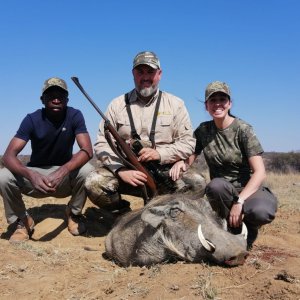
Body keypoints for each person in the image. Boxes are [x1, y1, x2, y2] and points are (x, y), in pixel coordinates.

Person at [85, 51, 205, 211]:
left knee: (197, 182)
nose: (145, 77)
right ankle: (123, 216)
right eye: (140, 72)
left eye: (150, 72)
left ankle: (174, 216)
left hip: (165, 172)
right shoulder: (117, 104)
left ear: (159, 74)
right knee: (93, 182)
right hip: (128, 172)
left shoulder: (176, 104)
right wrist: (120, 170)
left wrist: (161, 154)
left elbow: (188, 143)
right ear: (133, 74)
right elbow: (101, 143)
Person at [170, 81, 277, 249]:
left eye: (222, 99)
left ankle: (250, 227)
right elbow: (190, 158)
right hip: (222, 191)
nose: (218, 104)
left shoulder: (243, 129)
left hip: (248, 190)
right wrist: (180, 164)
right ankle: (231, 227)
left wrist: (240, 202)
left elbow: (260, 172)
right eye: (213, 100)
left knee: (260, 211)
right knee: (215, 185)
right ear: (206, 106)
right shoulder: (203, 130)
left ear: (230, 104)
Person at [0, 77, 94, 243]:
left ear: (67, 99)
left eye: (61, 95)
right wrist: (31, 175)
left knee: (88, 170)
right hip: (36, 175)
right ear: (42, 99)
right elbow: (8, 156)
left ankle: (73, 213)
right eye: (50, 94)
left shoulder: (75, 115)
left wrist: (62, 171)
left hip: (64, 177)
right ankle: (22, 220)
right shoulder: (31, 119)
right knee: (4, 176)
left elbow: (87, 150)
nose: (56, 98)